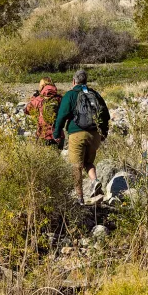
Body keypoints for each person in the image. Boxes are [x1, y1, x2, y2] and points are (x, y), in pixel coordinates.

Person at [53, 70, 110, 205]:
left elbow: (62, 115)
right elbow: (105, 115)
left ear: (74, 81)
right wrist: (103, 133)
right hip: (94, 134)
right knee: (88, 163)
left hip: (77, 134)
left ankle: (80, 199)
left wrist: (57, 133)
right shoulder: (94, 94)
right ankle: (94, 181)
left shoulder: (71, 95)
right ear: (86, 81)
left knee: (76, 166)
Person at [24, 77, 64, 149]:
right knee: (57, 158)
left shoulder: (38, 99)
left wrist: (33, 98)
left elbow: (27, 110)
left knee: (43, 158)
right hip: (58, 135)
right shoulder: (59, 98)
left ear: (43, 86)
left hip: (43, 134)